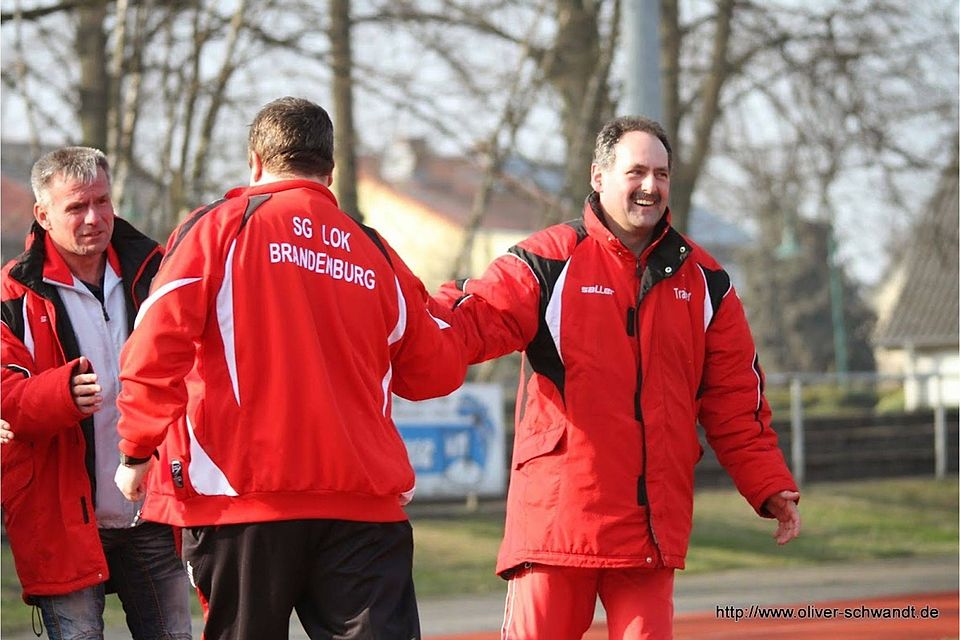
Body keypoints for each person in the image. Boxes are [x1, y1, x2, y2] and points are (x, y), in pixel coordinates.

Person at [113, 96, 468, 640]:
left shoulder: (217, 229)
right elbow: (435, 372)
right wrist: (449, 306)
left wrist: (137, 448)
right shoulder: (373, 251)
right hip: (362, 507)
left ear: (255, 160)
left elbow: (154, 345)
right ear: (329, 170)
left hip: (243, 502)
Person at [433, 116, 801, 639]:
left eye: (662, 173)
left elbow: (736, 401)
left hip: (650, 532)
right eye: (637, 172)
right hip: (557, 528)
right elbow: (471, 320)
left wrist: (768, 486)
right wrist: (405, 317)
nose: (651, 186)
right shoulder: (546, 262)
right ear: (598, 176)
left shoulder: (706, 281)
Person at [0, 147, 193, 640]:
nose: (94, 218)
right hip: (60, 516)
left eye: (102, 202)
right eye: (76, 207)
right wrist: (61, 393)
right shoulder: (10, 294)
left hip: (154, 511)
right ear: (42, 215)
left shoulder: (158, 272)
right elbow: (6, 400)